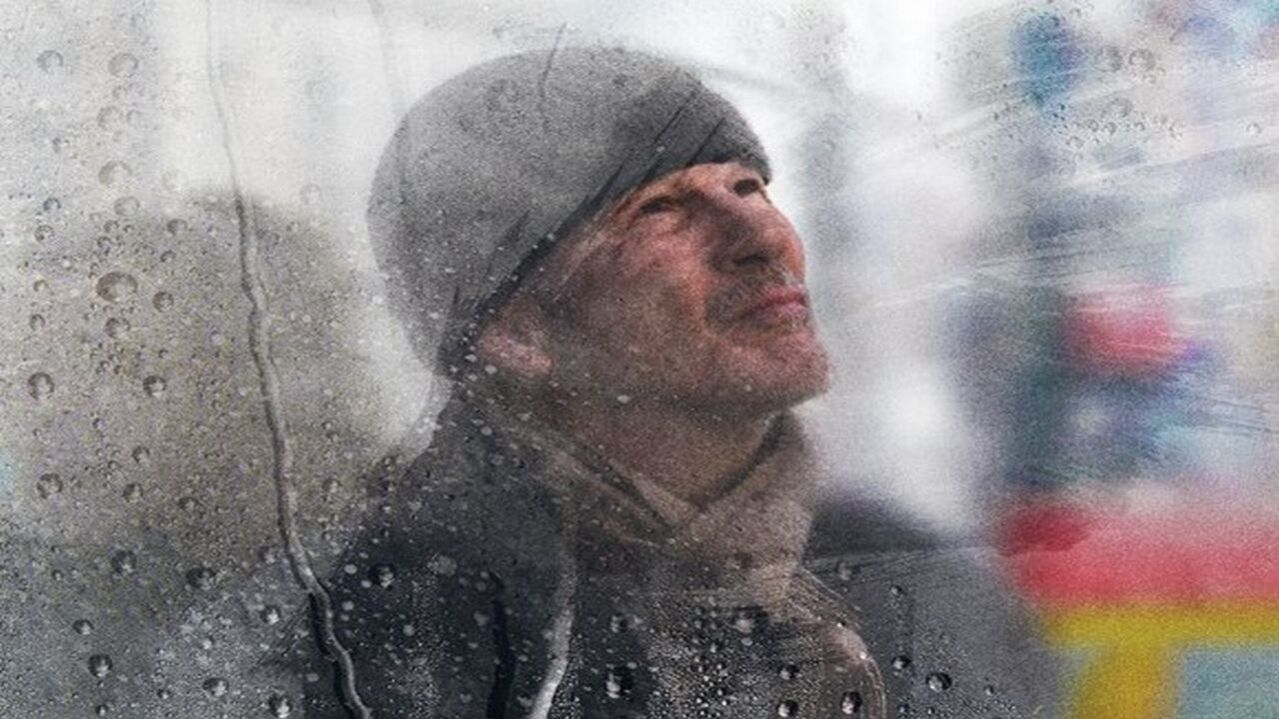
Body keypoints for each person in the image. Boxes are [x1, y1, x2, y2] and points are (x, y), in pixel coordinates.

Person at [296, 46, 1060, 718]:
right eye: (659, 210)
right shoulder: (402, 626)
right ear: (519, 332)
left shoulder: (911, 575)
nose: (762, 237)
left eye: (748, 188)